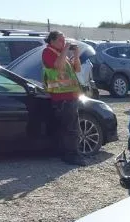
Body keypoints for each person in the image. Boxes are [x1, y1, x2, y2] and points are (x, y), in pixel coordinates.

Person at [41, 31, 86, 166]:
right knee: (71, 129)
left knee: (69, 127)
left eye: (64, 40)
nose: (64, 42)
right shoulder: (48, 52)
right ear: (52, 41)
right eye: (61, 40)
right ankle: (72, 155)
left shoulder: (61, 55)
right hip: (61, 97)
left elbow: (77, 69)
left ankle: (68, 153)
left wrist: (76, 54)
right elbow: (58, 66)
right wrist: (66, 49)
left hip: (70, 96)